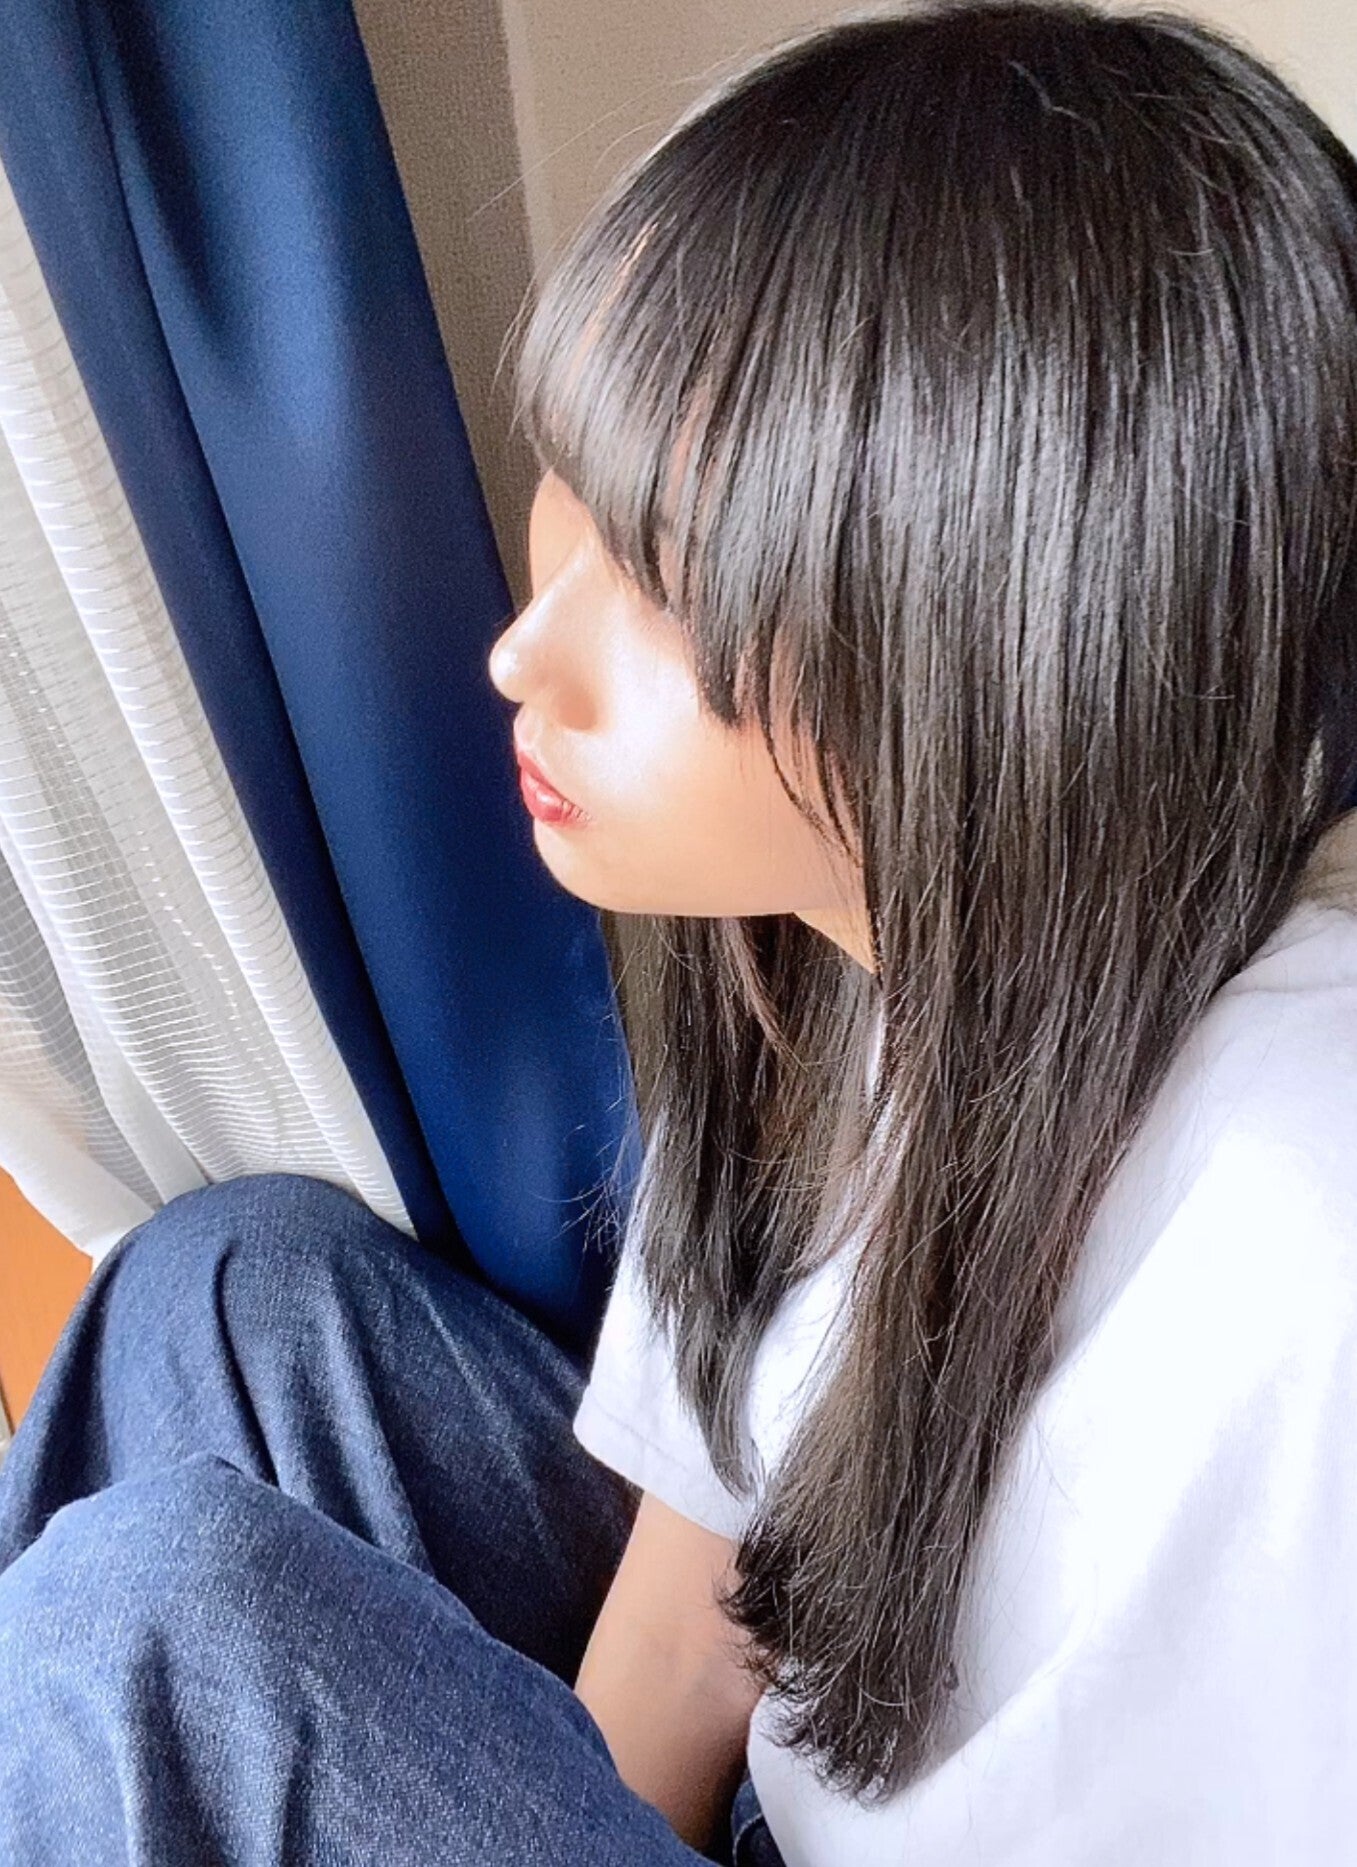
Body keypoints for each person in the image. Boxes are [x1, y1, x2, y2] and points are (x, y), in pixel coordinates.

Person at [4, 1, 1357, 1860]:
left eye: (663, 585)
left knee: (160, 1645)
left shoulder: (1301, 1225)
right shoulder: (840, 974)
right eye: (571, 498)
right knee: (235, 1288)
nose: (522, 652)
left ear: (1003, 664)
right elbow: (696, 1633)